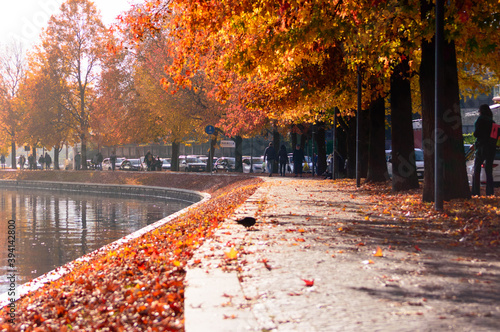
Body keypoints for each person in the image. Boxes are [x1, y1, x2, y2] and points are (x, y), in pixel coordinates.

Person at [472, 104, 497, 196]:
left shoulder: (480, 120)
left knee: (477, 169)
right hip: (491, 148)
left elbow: (476, 134)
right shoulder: (492, 122)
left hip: (481, 147)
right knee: (489, 170)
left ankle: (475, 191)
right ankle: (490, 192)